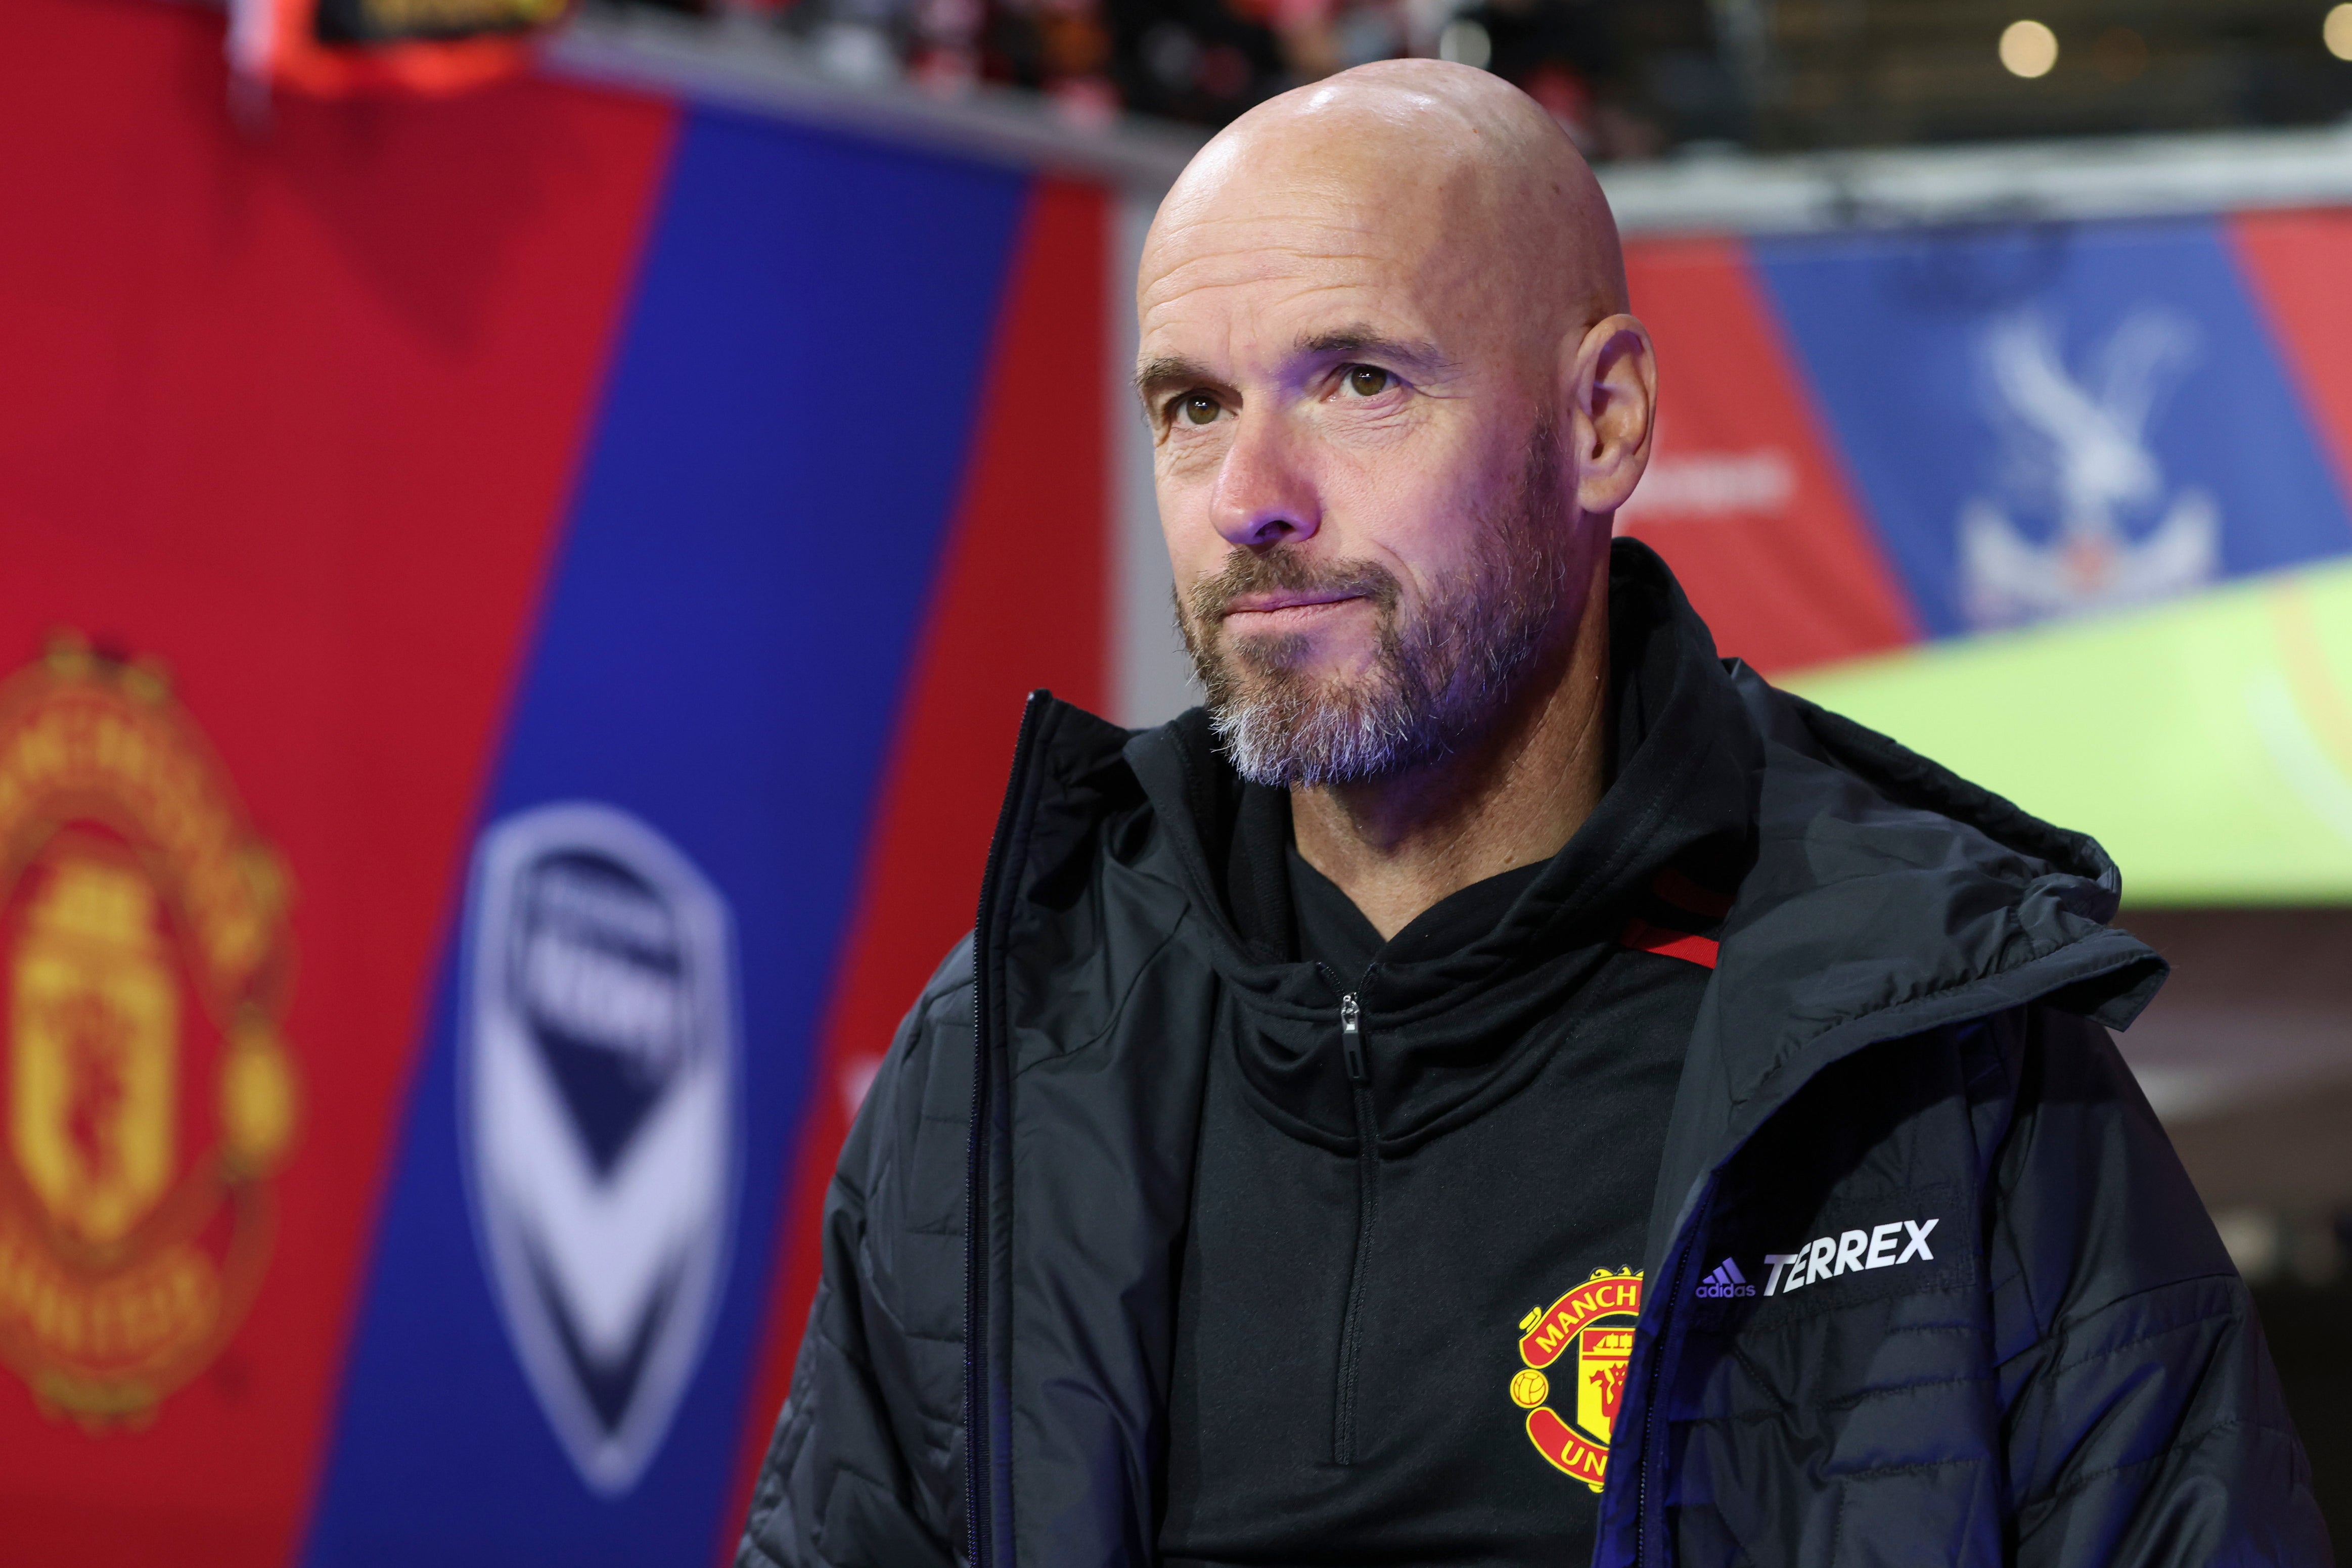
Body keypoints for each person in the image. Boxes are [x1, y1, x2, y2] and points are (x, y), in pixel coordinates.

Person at [736, 60, 2329, 1567]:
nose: (1248, 497)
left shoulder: (1924, 1046)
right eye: (1192, 408)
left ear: (1604, 423)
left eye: (1357, 381)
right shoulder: (1013, 1050)